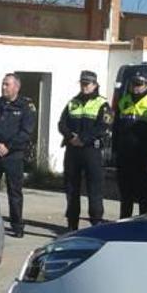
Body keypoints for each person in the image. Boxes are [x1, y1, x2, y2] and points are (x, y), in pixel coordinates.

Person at [0, 73, 36, 238]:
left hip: (14, 155)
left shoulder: (26, 106)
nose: (3, 87)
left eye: (7, 85)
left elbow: (26, 131)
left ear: (16, 87)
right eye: (3, 84)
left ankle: (17, 225)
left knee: (14, 191)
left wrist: (8, 147)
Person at [57, 70, 111, 231]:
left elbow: (104, 126)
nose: (84, 86)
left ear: (95, 85)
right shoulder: (73, 102)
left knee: (94, 189)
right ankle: (72, 225)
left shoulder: (103, 104)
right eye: (82, 83)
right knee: (71, 189)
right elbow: (62, 123)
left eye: (87, 84)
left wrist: (83, 138)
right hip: (73, 151)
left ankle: (96, 224)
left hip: (91, 151)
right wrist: (70, 136)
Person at [113, 70, 147, 218]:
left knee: (144, 195)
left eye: (140, 84)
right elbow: (116, 128)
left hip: (144, 157)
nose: (136, 86)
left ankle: (144, 226)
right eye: (133, 83)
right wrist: (115, 151)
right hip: (125, 156)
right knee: (125, 195)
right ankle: (124, 225)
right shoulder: (124, 101)